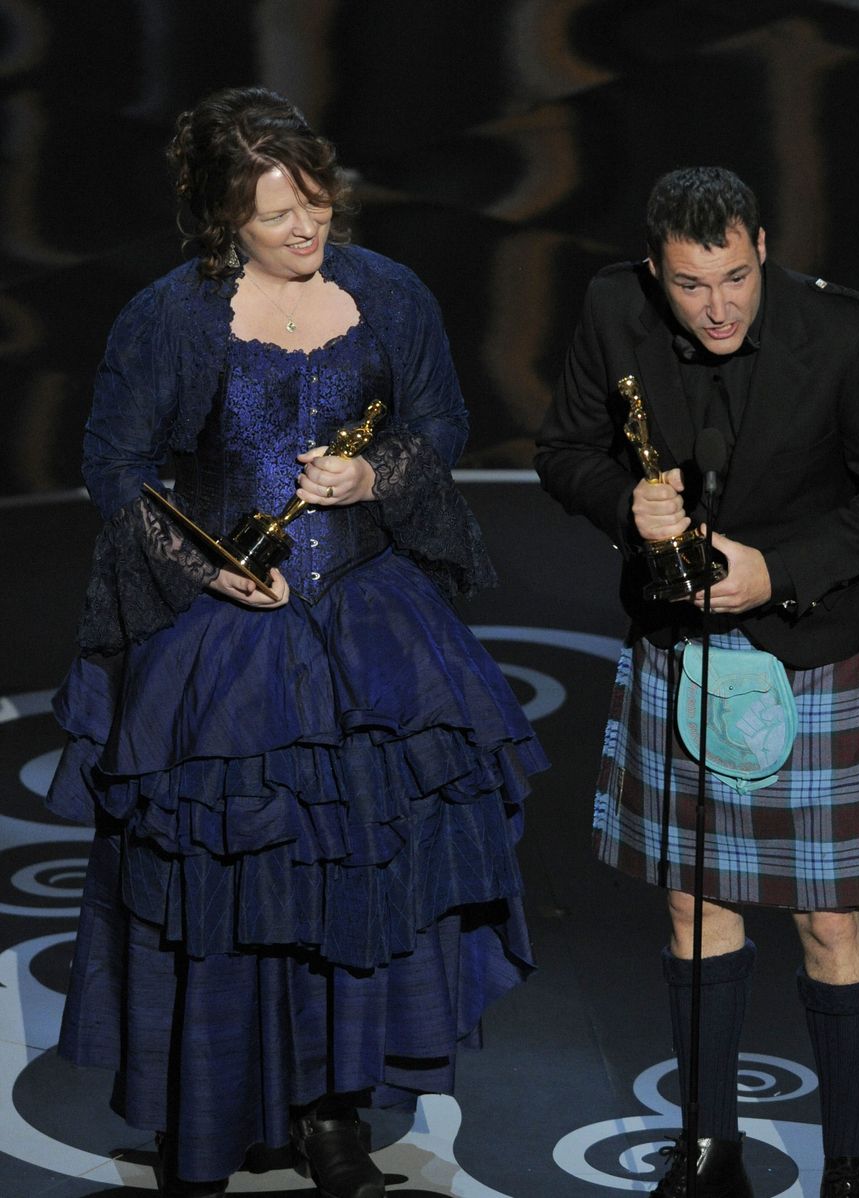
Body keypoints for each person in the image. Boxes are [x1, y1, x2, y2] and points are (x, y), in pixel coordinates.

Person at [47, 86, 546, 1198]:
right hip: (231, 640)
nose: (304, 229)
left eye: (314, 203)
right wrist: (202, 563)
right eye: (276, 216)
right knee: (226, 884)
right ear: (224, 217)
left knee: (348, 878)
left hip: (369, 627)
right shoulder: (171, 317)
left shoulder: (390, 296)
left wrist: (376, 476)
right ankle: (205, 1127)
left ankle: (331, 1118)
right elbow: (115, 467)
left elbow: (441, 423)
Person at [535, 167, 859, 1198]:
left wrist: (779, 571)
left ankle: (845, 1167)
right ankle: (708, 1152)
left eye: (731, 277)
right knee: (693, 905)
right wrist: (625, 502)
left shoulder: (846, 333)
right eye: (687, 284)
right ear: (653, 270)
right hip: (680, 647)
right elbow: (563, 450)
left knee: (831, 918)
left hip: (817, 650)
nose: (714, 306)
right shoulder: (608, 306)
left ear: (760, 246)